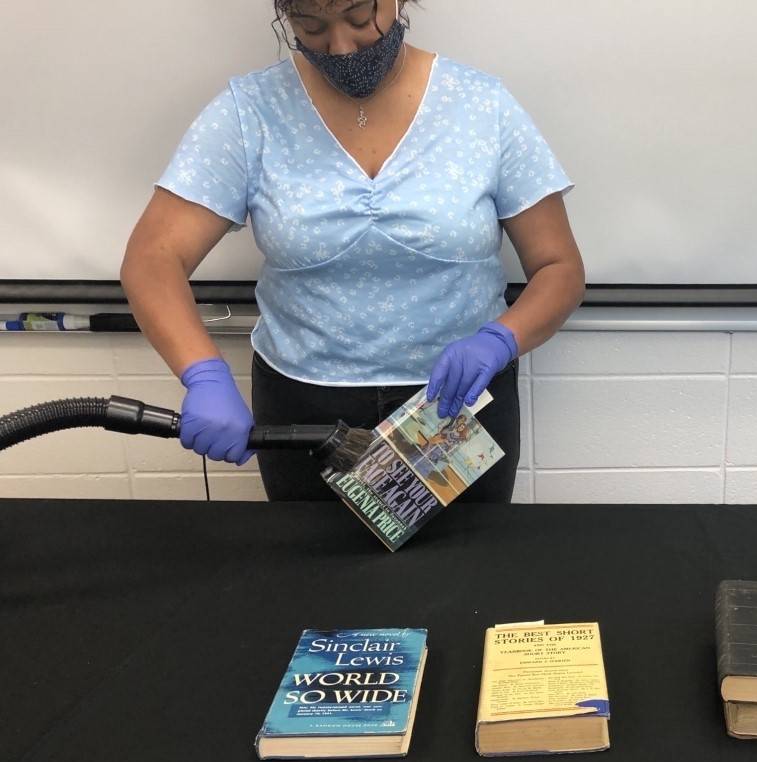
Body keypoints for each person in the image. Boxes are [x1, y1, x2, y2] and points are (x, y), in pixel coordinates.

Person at [120, 0, 584, 502]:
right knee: (316, 578)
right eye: (311, 27)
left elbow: (559, 268)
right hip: (302, 411)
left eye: (360, 19)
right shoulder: (250, 112)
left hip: (454, 411)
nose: (339, 48)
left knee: (460, 576)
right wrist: (203, 373)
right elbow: (153, 259)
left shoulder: (482, 106)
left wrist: (500, 340)